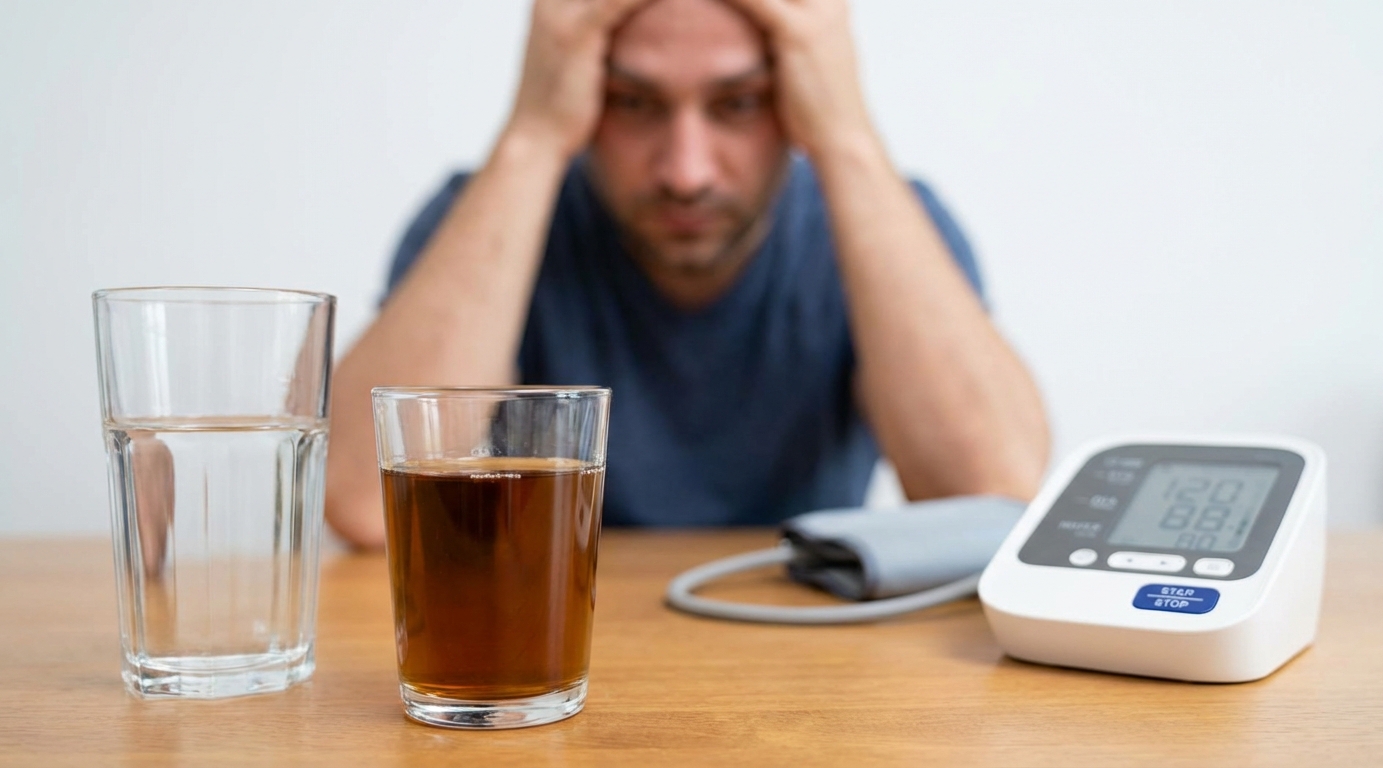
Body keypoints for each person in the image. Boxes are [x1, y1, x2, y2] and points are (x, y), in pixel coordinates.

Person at [325, 0, 1050, 548]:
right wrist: (532, 136)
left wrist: (847, 136)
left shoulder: (885, 223)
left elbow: (995, 498)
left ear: (797, 98)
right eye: (634, 103)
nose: (686, 173)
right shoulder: (484, 216)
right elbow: (362, 503)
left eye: (738, 104)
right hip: (542, 652)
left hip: (814, 679)